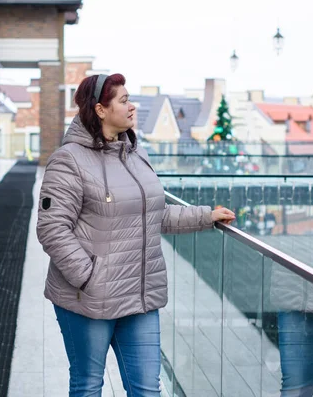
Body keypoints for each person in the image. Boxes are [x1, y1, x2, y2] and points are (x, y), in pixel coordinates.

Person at [36, 73, 235, 397]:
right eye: (124, 101)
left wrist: (205, 216)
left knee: (146, 390)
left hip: (139, 296)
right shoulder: (68, 160)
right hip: (88, 299)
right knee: (87, 385)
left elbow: (151, 215)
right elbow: (52, 228)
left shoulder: (135, 154)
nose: (133, 107)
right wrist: (89, 277)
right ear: (100, 109)